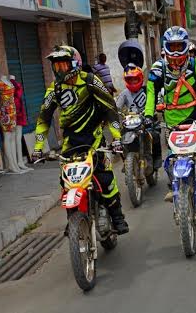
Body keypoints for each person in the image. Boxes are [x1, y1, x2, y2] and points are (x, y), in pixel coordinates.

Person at [32, 46, 129, 234]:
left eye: (64, 65)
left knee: (105, 177)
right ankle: (74, 218)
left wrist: (116, 139)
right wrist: (37, 147)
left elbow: (110, 109)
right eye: (57, 66)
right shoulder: (54, 89)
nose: (60, 70)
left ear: (75, 63)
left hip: (94, 139)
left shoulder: (91, 81)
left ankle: (117, 216)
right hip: (70, 143)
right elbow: (43, 118)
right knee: (66, 181)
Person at [144, 27, 196, 201]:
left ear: (186, 45)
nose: (175, 51)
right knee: (172, 155)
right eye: (171, 46)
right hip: (171, 121)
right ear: (165, 46)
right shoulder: (157, 69)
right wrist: (148, 115)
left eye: (178, 46)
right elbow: (151, 94)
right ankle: (172, 185)